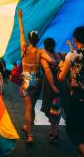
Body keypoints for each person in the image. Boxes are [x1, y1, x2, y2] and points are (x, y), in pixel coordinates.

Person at [58, 26, 84, 157]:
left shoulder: (72, 55)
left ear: (75, 39)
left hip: (76, 97)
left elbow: (61, 77)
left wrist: (61, 67)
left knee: (70, 130)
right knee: (83, 130)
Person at [17, 9, 53, 143]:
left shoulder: (24, 48)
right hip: (37, 79)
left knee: (28, 107)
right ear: (38, 40)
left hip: (26, 78)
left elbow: (21, 32)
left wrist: (20, 19)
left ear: (29, 39)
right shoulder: (40, 51)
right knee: (31, 104)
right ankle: (27, 126)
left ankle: (30, 135)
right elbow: (52, 61)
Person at [41, 38, 64, 144]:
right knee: (55, 109)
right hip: (60, 84)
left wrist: (53, 86)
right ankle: (53, 131)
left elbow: (48, 71)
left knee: (52, 110)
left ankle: (54, 134)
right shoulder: (60, 55)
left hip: (51, 87)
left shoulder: (45, 58)